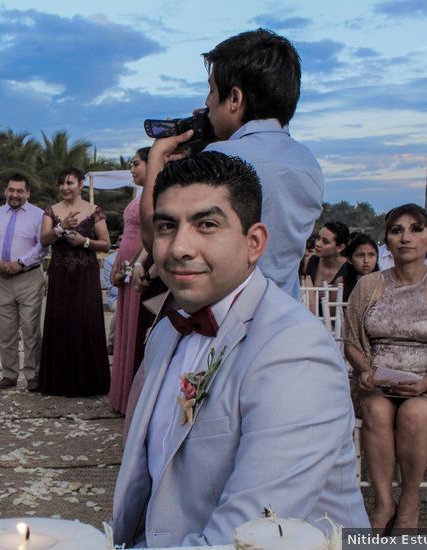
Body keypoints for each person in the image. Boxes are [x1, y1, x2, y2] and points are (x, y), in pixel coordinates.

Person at [114, 152, 367, 548]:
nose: (179, 247)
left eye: (207, 225)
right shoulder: (166, 330)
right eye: (167, 226)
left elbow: (246, 536)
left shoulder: (293, 351)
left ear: (254, 242)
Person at [140, 29, 323, 300]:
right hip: (284, 304)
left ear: (235, 99)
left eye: (212, 90)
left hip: (225, 309)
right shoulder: (309, 162)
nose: (207, 103)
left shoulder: (220, 156)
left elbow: (155, 235)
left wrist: (156, 157)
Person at [345, 204, 427, 531]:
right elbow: (351, 341)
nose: (406, 237)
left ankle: (410, 502)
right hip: (377, 384)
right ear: (386, 241)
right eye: (396, 230)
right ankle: (384, 502)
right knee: (376, 408)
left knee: (413, 413)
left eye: (416, 229)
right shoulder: (369, 285)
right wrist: (363, 370)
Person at [38, 168, 111, 397]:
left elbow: (106, 244)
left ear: (80, 184)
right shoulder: (51, 211)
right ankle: (59, 382)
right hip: (60, 273)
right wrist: (60, 229)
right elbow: (43, 240)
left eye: (70, 183)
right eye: (61, 183)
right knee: (61, 321)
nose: (65, 188)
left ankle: (90, 382)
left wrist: (84, 241)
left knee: (86, 320)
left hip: (85, 274)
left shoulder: (94, 211)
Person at [0, 173, 48, 391]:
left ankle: (33, 375)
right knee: (5, 330)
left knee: (31, 329)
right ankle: (9, 374)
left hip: (28, 277)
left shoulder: (39, 215)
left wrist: (21, 262)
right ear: (5, 191)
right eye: (11, 190)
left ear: (27, 193)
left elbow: (43, 246)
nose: (15, 195)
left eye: (20, 191)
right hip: (1, 278)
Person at [108, 147, 150, 413]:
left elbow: (151, 234)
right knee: (124, 324)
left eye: (136, 164)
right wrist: (116, 263)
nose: (132, 169)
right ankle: (121, 394)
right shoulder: (140, 194)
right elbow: (126, 235)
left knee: (136, 324)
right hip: (125, 262)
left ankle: (133, 398)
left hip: (139, 263)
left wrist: (133, 263)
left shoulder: (157, 193)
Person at [334, 233, 378, 301]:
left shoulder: (384, 282)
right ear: (349, 259)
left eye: (371, 255)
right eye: (360, 255)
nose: (366, 260)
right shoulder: (341, 283)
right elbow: (334, 311)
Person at [101, 248, 118, 354]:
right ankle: (111, 342)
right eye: (120, 239)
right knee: (119, 311)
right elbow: (110, 286)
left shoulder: (136, 259)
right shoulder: (110, 260)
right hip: (116, 297)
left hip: (134, 295)